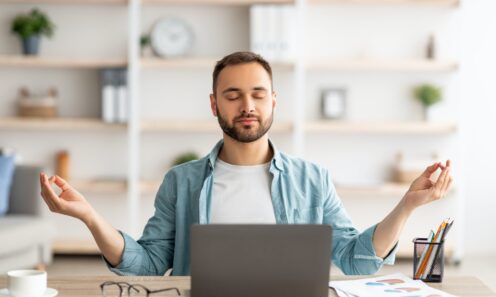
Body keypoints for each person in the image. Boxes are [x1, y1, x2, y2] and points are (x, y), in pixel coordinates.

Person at [40, 51, 453, 276]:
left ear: (274, 101)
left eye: (258, 93)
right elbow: (146, 264)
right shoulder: (181, 182)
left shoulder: (312, 179)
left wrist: (408, 205)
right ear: (214, 104)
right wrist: (91, 218)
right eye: (233, 94)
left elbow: (355, 260)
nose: (247, 105)